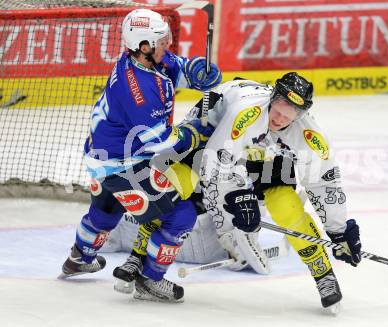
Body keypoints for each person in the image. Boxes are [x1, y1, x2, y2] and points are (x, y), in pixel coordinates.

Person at [60, 8, 221, 304]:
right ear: (144, 46)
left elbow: (174, 67)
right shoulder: (138, 91)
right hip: (124, 166)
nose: (167, 46)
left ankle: (79, 258)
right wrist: (194, 134)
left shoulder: (143, 60)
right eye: (162, 42)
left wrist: (196, 70)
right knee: (181, 215)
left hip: (101, 157)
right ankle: (150, 281)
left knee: (106, 211)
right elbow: (158, 142)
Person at [197, 73, 362, 311]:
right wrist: (237, 198)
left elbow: (324, 183)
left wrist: (339, 232)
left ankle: (322, 273)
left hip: (266, 154)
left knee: (287, 208)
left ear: (301, 115)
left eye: (288, 115)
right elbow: (214, 165)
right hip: (214, 130)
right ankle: (225, 238)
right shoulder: (245, 114)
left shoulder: (308, 134)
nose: (279, 119)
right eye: (277, 110)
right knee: (190, 186)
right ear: (272, 97)